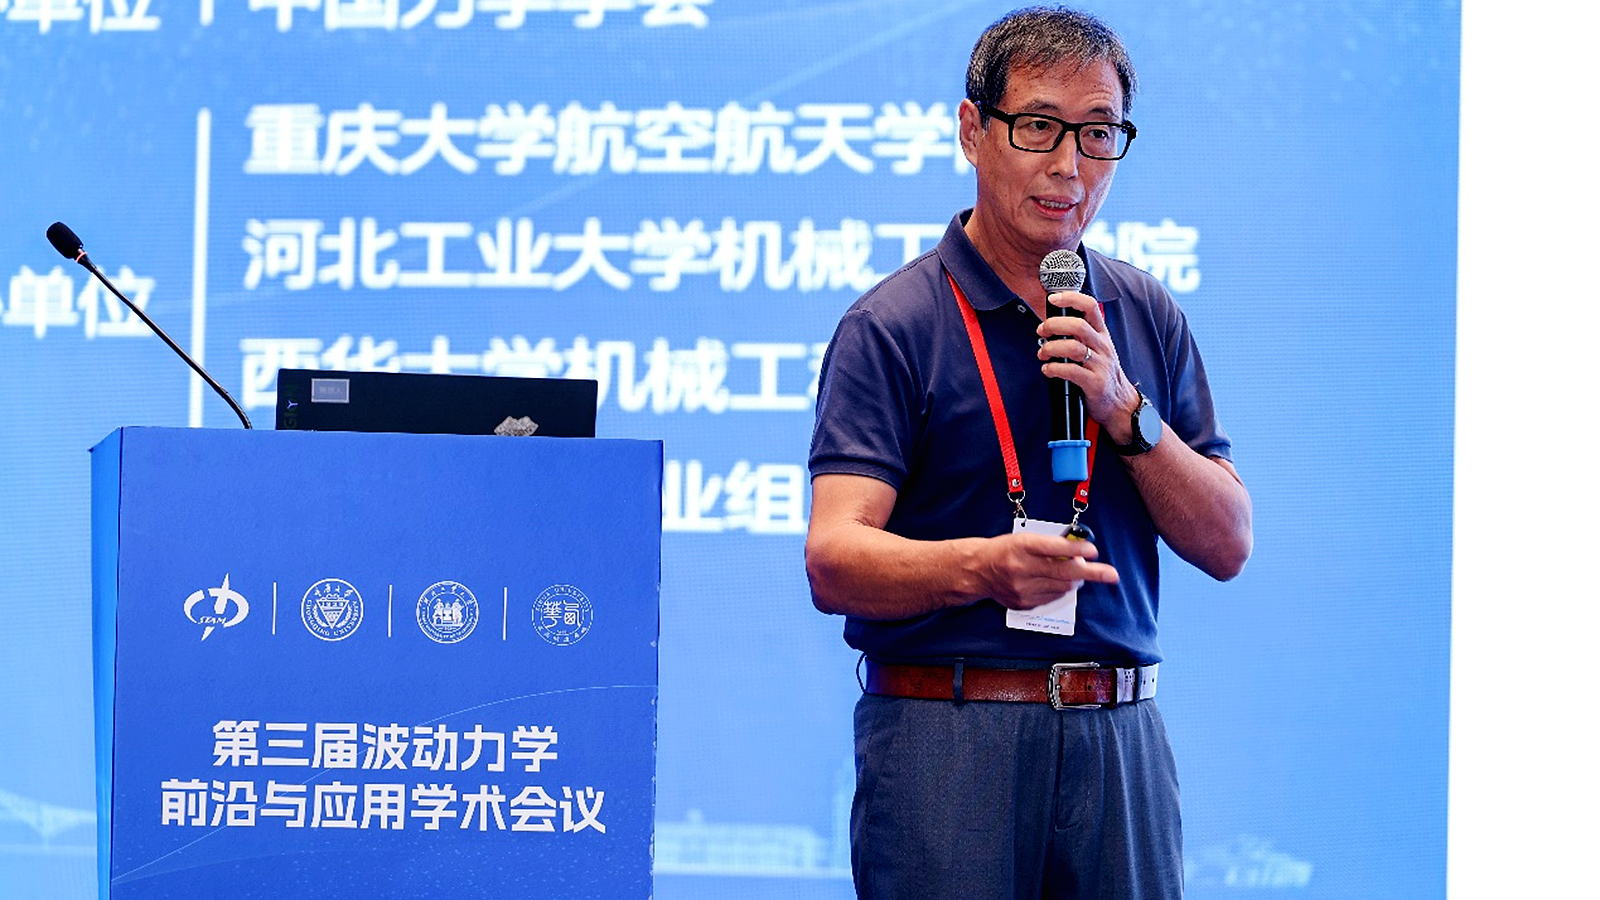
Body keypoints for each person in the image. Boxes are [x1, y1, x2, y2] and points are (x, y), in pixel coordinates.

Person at [805, 6, 1253, 899]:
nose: (1069, 166)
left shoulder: (1143, 314)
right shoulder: (893, 325)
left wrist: (1123, 408)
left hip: (1119, 737)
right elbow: (834, 558)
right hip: (948, 732)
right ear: (973, 130)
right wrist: (982, 567)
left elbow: (1228, 540)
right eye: (1040, 127)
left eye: (1098, 134)